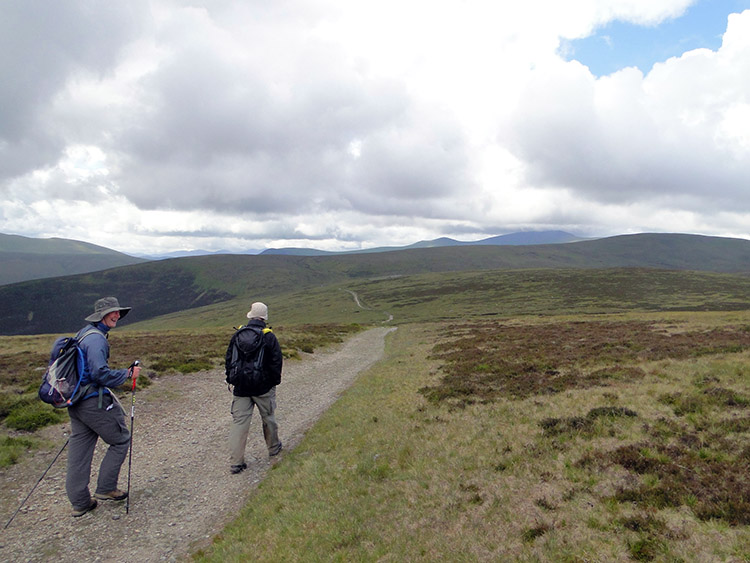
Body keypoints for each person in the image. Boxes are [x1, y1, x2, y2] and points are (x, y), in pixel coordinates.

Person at [66, 296, 141, 517]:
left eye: (118, 312)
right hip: (92, 401)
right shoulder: (97, 339)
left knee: (79, 451)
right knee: (121, 439)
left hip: (75, 402)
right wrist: (127, 374)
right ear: (101, 315)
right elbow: (99, 373)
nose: (117, 315)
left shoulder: (82, 334)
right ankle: (106, 488)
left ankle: (80, 502)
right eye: (112, 312)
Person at [225, 302, 283, 474]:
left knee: (239, 424)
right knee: (268, 417)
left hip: (241, 388)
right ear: (264, 317)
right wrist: (273, 383)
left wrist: (232, 379)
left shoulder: (238, 335)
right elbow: (276, 362)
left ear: (250, 316)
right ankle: (273, 449)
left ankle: (236, 462)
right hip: (263, 388)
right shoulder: (269, 336)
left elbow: (229, 359)